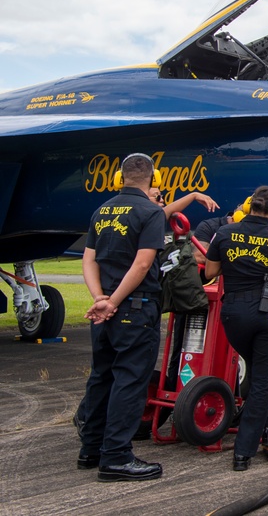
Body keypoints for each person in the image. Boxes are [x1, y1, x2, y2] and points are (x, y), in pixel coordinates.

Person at [78, 152, 165, 482]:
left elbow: (89, 260)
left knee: (101, 376)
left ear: (120, 177)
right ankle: (115, 456)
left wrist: (99, 298)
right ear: (153, 179)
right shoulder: (150, 212)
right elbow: (142, 265)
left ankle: (91, 448)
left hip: (104, 311)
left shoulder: (101, 210)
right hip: (134, 308)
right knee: (130, 379)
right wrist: (113, 301)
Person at [204, 186, 268, 471]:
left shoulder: (223, 234)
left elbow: (210, 272)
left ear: (248, 206)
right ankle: (243, 452)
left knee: (257, 374)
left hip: (233, 313)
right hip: (267, 313)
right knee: (261, 381)